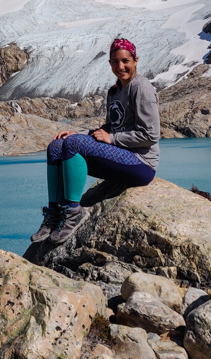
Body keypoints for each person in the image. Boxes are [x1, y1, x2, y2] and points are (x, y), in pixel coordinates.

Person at [31, 37, 160, 245]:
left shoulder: (141, 88)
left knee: (73, 145)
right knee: (56, 146)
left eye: (126, 61)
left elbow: (150, 135)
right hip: (121, 156)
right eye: (115, 62)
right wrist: (78, 132)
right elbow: (109, 128)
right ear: (110, 63)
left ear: (135, 60)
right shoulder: (114, 91)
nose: (121, 66)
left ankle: (74, 213)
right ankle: (55, 212)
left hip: (141, 163)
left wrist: (112, 138)